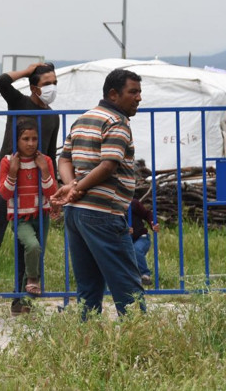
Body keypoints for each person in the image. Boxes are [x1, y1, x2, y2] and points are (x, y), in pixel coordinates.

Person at [50, 69, 145, 316]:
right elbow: (108, 165)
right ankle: (142, 342)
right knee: (127, 286)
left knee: (88, 287)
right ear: (113, 94)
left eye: (139, 92)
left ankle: (86, 340)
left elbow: (64, 159)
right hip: (103, 213)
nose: (139, 98)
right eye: (133, 92)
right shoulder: (117, 122)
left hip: (76, 214)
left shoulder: (84, 118)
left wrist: (71, 186)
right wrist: (77, 188)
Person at [0, 63, 59, 318]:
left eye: (54, 82)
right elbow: (1, 82)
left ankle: (20, 300)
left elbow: (50, 154)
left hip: (34, 190)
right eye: (46, 83)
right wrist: (28, 69)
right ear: (34, 87)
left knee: (30, 245)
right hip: (7, 183)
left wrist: (54, 194)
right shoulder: (19, 102)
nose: (52, 88)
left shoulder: (52, 116)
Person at [0, 118, 57, 298]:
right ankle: (32, 279)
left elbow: (52, 192)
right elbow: (5, 194)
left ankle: (25, 303)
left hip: (41, 215)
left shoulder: (44, 160)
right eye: (25, 139)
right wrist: (14, 172)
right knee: (32, 247)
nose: (31, 143)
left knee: (36, 255)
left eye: (34, 139)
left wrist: (45, 171)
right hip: (20, 217)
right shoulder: (8, 162)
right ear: (16, 140)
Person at [128, 197, 159, 287]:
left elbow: (147, 214)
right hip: (123, 240)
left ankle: (145, 275)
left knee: (136, 250)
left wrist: (153, 223)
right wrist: (123, 228)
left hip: (141, 237)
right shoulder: (113, 206)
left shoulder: (133, 203)